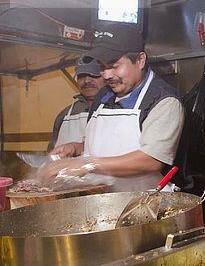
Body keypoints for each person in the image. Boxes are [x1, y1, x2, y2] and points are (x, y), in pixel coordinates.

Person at [41, 23, 185, 192]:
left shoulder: (164, 100)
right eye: (102, 66)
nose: (107, 75)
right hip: (102, 200)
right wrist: (77, 148)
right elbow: (107, 144)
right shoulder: (103, 96)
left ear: (140, 60)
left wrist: (86, 165)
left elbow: (151, 160)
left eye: (114, 66)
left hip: (147, 205)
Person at [47, 56, 105, 152]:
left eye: (94, 75)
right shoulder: (64, 115)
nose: (86, 81)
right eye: (81, 76)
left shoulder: (117, 109)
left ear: (107, 76)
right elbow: (52, 152)